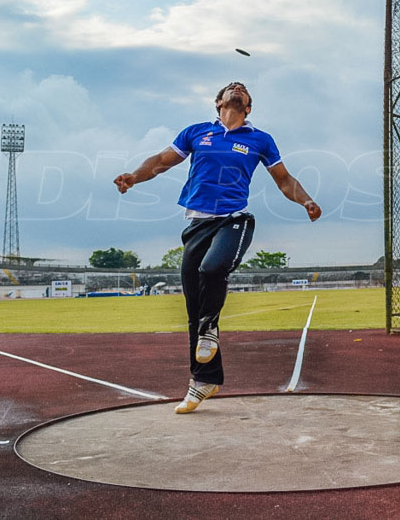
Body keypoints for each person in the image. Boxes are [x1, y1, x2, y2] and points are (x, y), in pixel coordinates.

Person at [114, 82, 320, 414]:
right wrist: (135, 176)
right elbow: (161, 162)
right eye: (231, 88)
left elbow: (284, 180)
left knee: (212, 269)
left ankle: (211, 329)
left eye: (243, 90)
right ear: (218, 102)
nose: (237, 89)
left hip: (234, 219)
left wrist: (306, 200)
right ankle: (203, 381)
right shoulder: (196, 133)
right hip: (197, 224)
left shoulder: (260, 140)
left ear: (248, 106)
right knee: (194, 308)